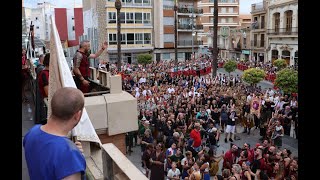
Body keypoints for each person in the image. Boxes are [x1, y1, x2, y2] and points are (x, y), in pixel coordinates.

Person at [23, 87, 86, 179]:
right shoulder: (69, 156)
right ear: (77, 115)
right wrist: (75, 158)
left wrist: (73, 150)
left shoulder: (32, 133)